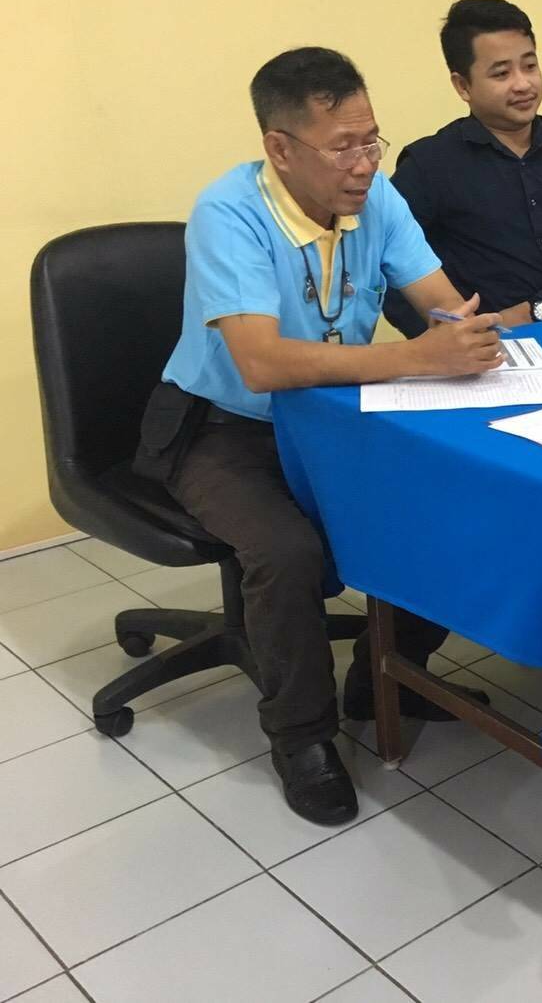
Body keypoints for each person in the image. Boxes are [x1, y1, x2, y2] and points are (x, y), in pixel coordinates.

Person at [146, 47, 502, 826]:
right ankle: (302, 737)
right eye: (343, 146)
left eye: (372, 139)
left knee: (452, 498)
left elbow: (441, 303)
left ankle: (383, 679)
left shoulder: (377, 196)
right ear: (280, 148)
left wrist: (471, 337)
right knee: (287, 552)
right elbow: (263, 364)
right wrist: (418, 357)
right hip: (223, 426)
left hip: (334, 413)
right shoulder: (228, 213)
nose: (365, 163)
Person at [383, 0, 542, 336]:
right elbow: (389, 271)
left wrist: (539, 310)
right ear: (463, 86)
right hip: (487, 348)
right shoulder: (429, 164)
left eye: (529, 66)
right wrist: (447, 337)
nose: (523, 84)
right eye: (501, 73)